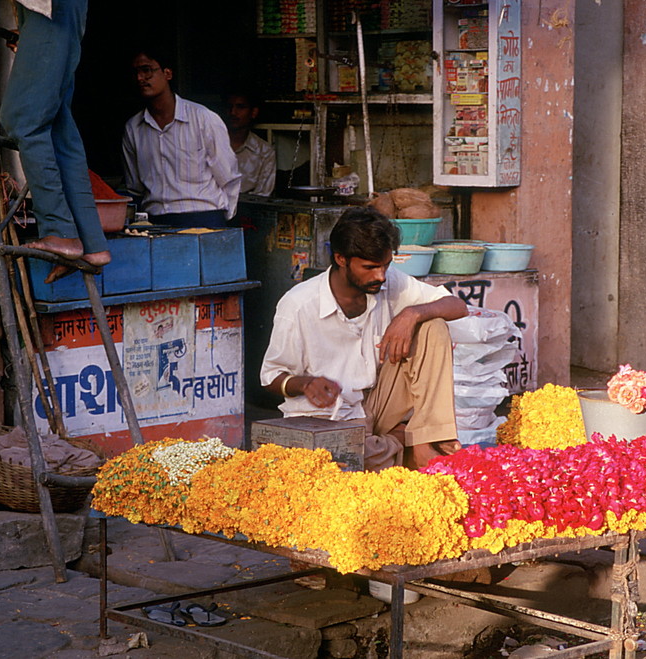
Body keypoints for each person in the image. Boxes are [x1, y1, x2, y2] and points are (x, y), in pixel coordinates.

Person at [260, 206, 468, 470]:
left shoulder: (389, 282)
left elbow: (457, 306)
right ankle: (398, 441)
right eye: (370, 267)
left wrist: (412, 314)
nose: (380, 276)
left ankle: (425, 444)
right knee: (334, 464)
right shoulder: (298, 305)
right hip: (330, 416)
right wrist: (304, 384)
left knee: (433, 326)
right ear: (341, 259)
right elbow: (270, 377)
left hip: (379, 403)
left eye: (385, 265)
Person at [0, 0, 111, 284]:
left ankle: (60, 231)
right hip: (57, 8)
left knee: (23, 118)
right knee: (58, 124)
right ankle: (91, 242)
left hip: (49, 6)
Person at [122, 47, 241, 228]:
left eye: (147, 70)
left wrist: (221, 219)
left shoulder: (203, 119)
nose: (140, 78)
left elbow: (229, 177)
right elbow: (135, 187)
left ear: (167, 73)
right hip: (156, 222)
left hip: (204, 218)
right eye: (136, 72)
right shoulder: (134, 128)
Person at [223, 91, 276, 196]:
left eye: (240, 107)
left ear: (253, 112)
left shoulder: (264, 152)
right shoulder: (211, 144)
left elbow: (263, 195)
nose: (233, 112)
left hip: (249, 210)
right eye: (229, 106)